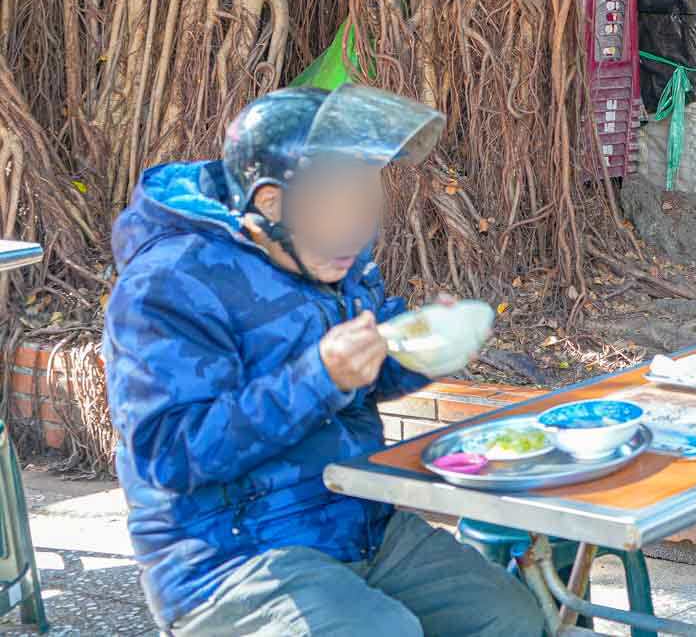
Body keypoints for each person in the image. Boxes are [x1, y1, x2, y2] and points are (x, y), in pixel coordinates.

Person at [103, 85, 546, 636]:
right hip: (228, 556)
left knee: (510, 620)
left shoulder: (329, 251)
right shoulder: (169, 284)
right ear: (270, 204)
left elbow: (365, 371)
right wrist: (319, 378)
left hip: (358, 519)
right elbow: (170, 455)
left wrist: (421, 350)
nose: (356, 230)